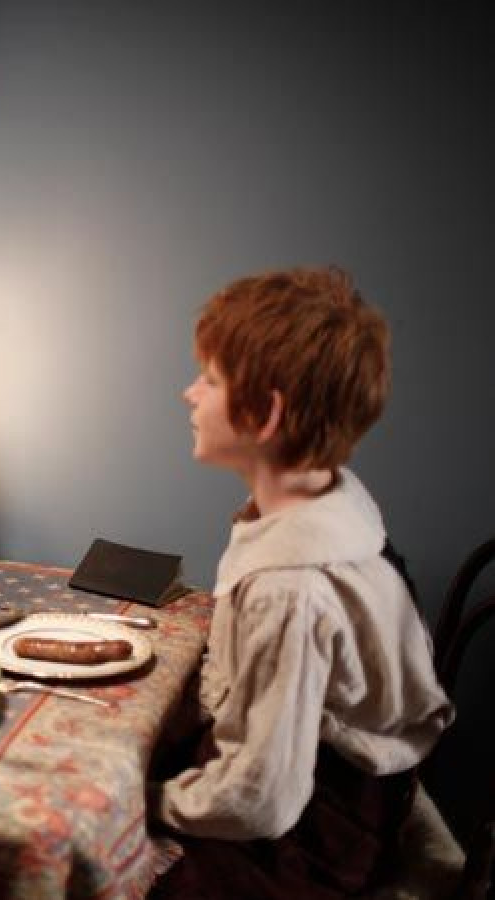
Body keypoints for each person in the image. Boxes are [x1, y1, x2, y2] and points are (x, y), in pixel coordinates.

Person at [147, 267, 454, 898]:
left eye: (209, 378)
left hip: (308, 843)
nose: (189, 394)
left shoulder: (292, 589)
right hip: (346, 792)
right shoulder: (333, 504)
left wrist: (153, 803)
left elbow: (260, 800)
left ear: (265, 415)